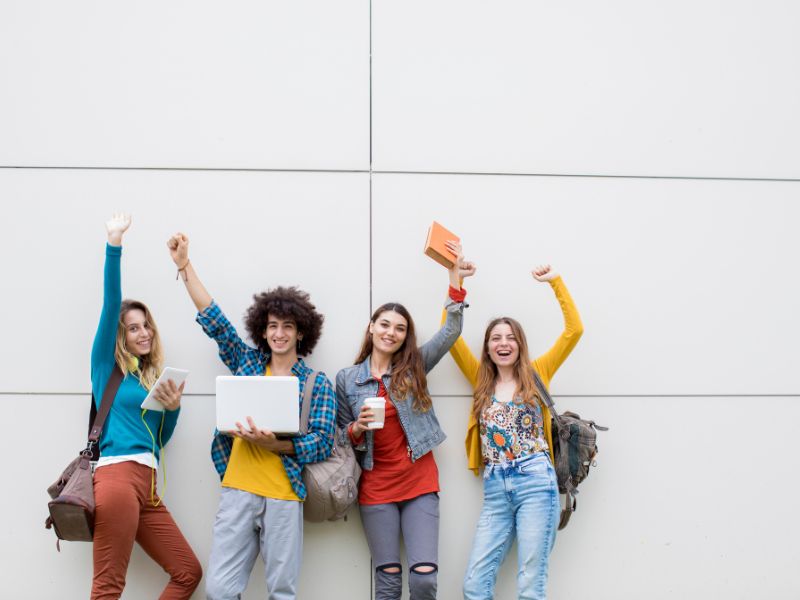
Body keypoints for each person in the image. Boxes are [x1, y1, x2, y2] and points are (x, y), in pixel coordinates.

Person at [167, 232, 335, 600]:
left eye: (287, 326)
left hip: (285, 495)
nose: (279, 333)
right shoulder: (246, 363)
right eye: (273, 325)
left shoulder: (316, 384)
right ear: (263, 329)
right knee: (219, 591)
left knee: (282, 593)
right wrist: (184, 266)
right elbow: (215, 320)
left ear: (300, 332)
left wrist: (275, 443)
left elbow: (322, 443)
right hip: (238, 491)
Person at [336, 241, 475, 600]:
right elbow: (338, 435)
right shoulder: (347, 379)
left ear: (404, 336)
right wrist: (356, 429)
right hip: (375, 487)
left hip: (418, 482)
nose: (391, 332)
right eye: (384, 324)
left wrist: (454, 281)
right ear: (371, 328)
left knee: (425, 580)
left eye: (399, 328)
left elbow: (450, 333)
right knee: (387, 582)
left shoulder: (414, 367)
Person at [450, 264, 584, 600]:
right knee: (474, 584)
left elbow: (574, 331)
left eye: (510, 337)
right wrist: (456, 285)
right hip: (496, 487)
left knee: (530, 581)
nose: (503, 343)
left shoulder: (538, 372)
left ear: (520, 344)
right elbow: (449, 337)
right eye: (496, 338)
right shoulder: (480, 378)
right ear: (488, 347)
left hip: (536, 481)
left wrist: (556, 283)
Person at [90, 214, 201, 600]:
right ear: (120, 335)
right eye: (133, 327)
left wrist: (172, 409)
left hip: (148, 486)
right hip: (118, 479)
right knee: (108, 586)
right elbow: (109, 305)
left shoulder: (150, 380)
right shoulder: (106, 368)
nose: (144, 332)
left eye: (146, 326)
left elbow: (159, 441)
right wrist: (114, 245)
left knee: (187, 572)